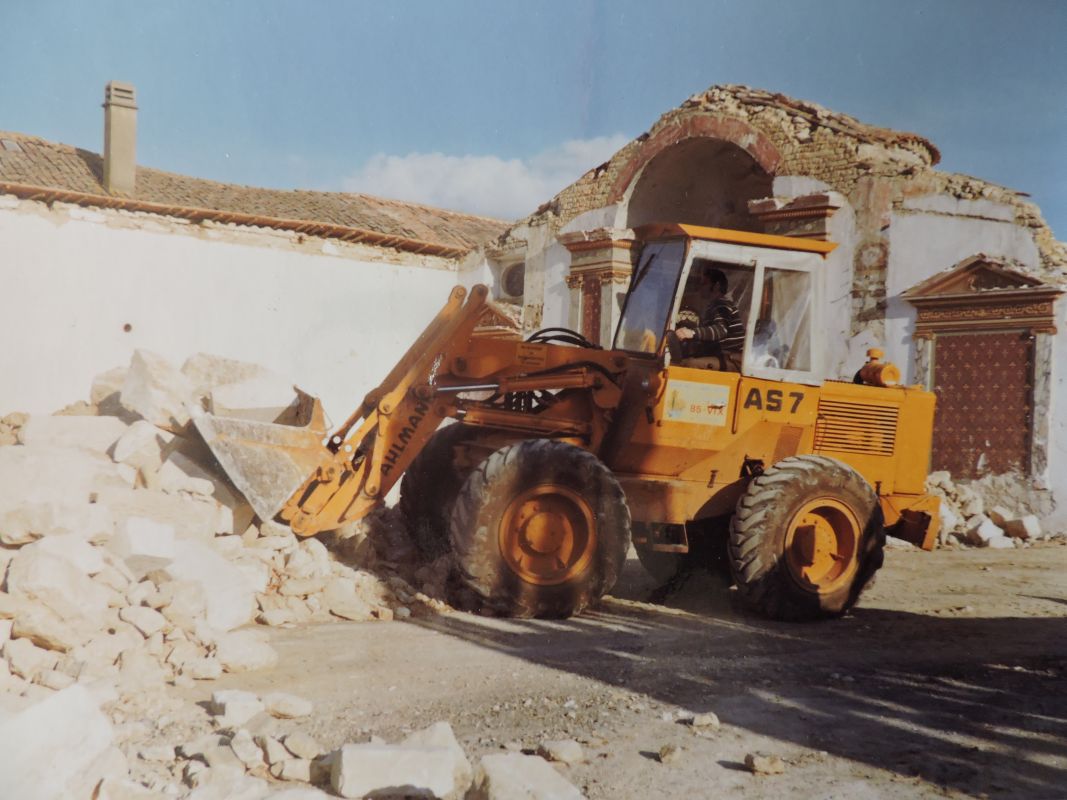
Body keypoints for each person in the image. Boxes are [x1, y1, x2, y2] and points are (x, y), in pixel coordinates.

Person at [669, 266, 744, 371]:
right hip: (722, 356)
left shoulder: (721, 304)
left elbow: (721, 330)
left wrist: (692, 333)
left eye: (704, 283)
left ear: (716, 286)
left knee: (687, 365)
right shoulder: (714, 306)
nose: (700, 287)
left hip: (731, 359)